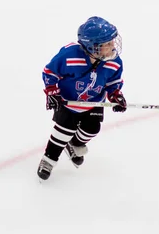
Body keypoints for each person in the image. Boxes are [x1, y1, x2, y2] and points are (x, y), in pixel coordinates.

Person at [37, 16, 127, 181]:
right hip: (67, 101)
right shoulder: (69, 55)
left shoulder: (114, 61)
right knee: (64, 131)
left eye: (112, 42)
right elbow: (49, 72)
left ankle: (74, 144)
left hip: (93, 102)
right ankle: (48, 159)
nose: (112, 46)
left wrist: (116, 95)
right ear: (92, 47)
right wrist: (51, 92)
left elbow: (113, 82)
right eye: (106, 44)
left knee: (92, 129)